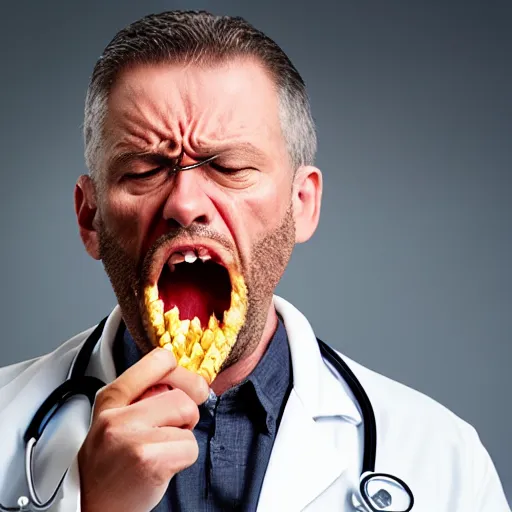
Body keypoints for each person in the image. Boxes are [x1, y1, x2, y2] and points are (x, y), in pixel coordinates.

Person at [0, 10, 509, 512]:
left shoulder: (443, 461)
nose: (185, 202)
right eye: (145, 169)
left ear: (301, 204)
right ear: (90, 218)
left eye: (229, 166)